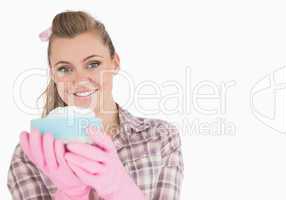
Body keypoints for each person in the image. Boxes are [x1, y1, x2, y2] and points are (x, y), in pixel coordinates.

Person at [7, 10, 184, 200]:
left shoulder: (160, 138)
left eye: (93, 64)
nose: (80, 80)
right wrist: (71, 194)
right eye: (64, 69)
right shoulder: (32, 155)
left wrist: (120, 189)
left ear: (115, 62)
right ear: (53, 74)